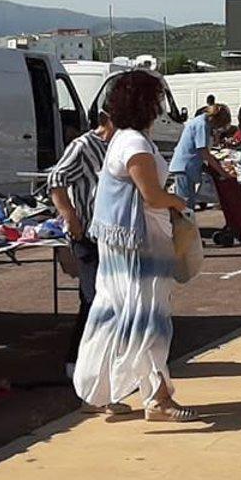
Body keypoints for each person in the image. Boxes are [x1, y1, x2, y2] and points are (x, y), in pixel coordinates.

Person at [74, 71, 195, 422]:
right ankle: (157, 398)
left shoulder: (122, 140)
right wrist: (179, 202)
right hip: (141, 246)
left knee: (112, 315)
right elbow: (152, 196)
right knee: (149, 319)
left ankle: (95, 392)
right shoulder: (136, 145)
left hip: (121, 244)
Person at [47, 107, 113, 379]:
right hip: (88, 237)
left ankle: (105, 362)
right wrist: (70, 216)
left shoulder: (123, 145)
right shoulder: (84, 146)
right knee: (92, 299)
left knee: (112, 301)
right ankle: (77, 362)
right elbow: (56, 179)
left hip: (113, 238)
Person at [168, 103, 230, 208]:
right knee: (186, 203)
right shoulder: (202, 124)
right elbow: (203, 150)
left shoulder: (199, 121)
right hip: (185, 167)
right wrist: (222, 172)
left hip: (187, 166)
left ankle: (187, 223)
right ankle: (185, 224)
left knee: (188, 201)